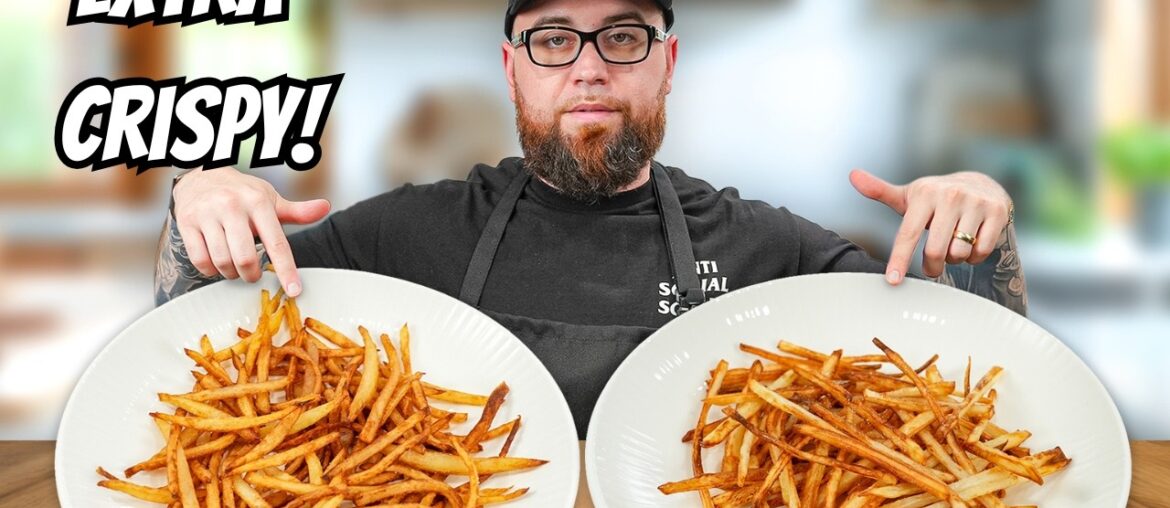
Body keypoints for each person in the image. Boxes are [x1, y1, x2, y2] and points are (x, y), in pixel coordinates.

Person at [155, 0, 1026, 440]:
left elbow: (966, 386)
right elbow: (200, 352)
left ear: (667, 63)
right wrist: (197, 207)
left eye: (621, 36)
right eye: (552, 38)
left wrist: (981, 237)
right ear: (512, 70)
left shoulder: (765, 243)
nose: (587, 69)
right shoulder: (404, 233)